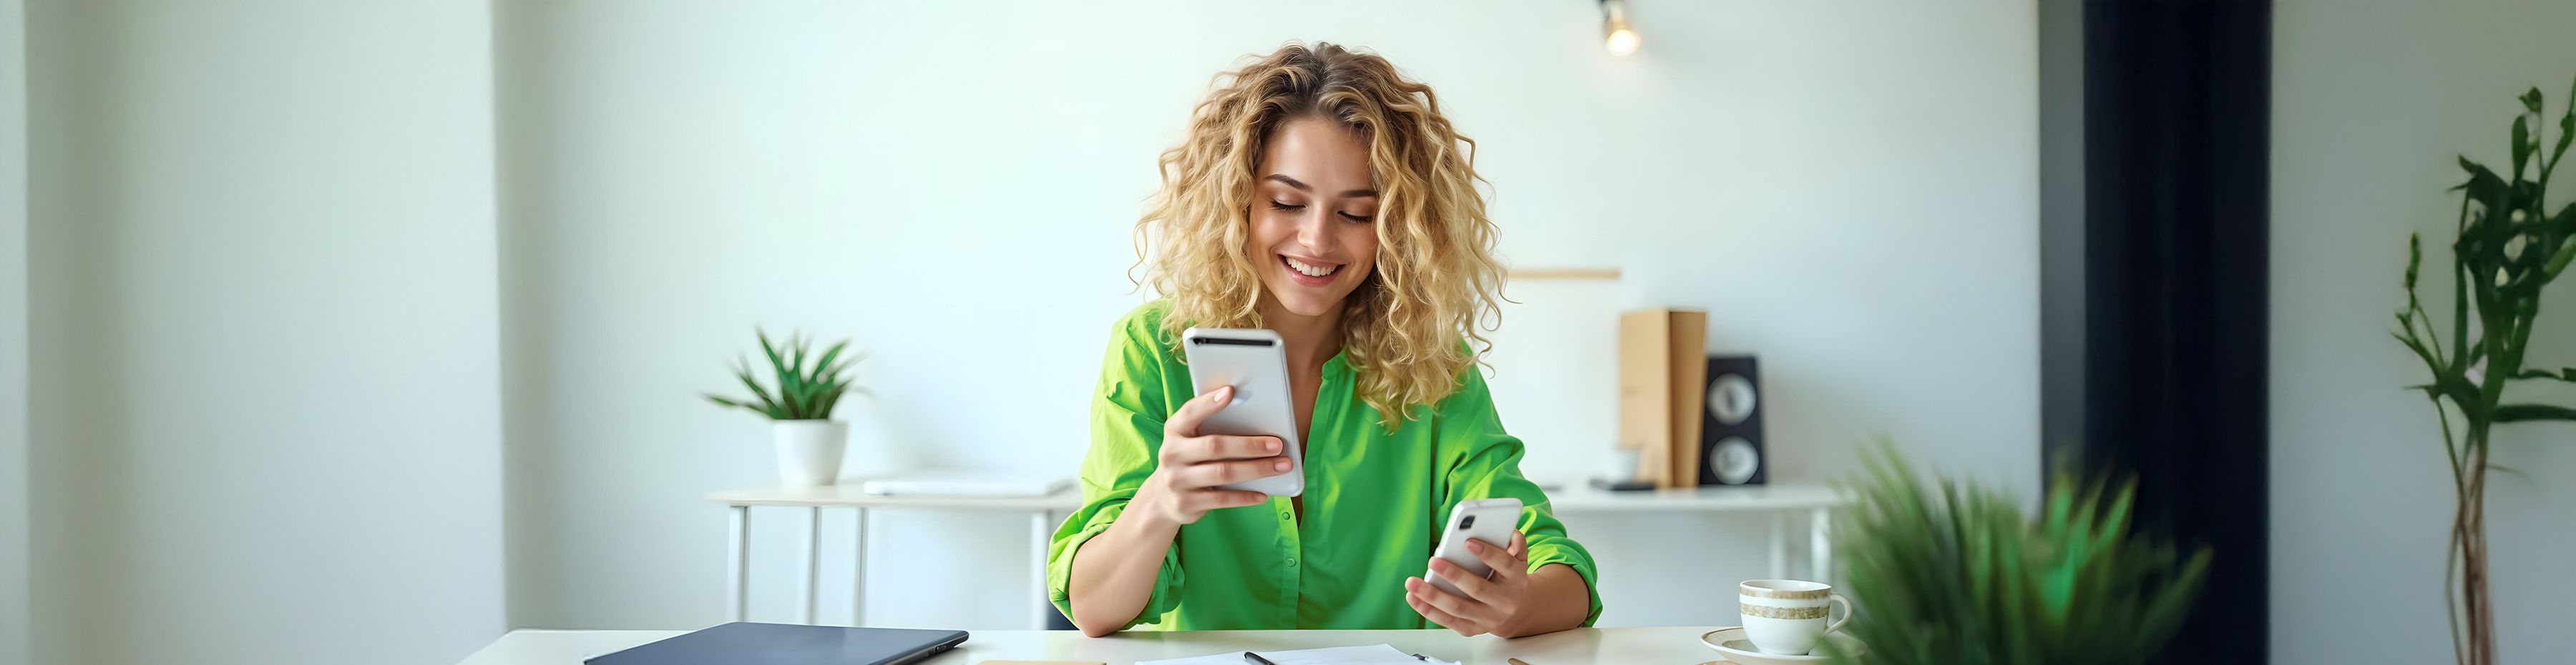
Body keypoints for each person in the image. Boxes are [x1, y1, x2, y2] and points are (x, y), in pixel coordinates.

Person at [1045, 42, 1599, 638]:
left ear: (1397, 228)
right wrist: (1161, 501)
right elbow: (1095, 610)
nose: (1316, 240)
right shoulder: (1153, 350)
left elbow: (1565, 579)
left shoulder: (1433, 366)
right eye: (1286, 202)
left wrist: (1516, 605)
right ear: (1238, 201)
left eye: (1357, 214)